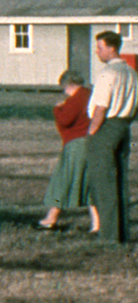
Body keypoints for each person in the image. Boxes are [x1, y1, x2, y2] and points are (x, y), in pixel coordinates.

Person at [86, 31, 137, 243]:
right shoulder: (131, 73)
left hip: (106, 127)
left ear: (111, 48)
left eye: (100, 47)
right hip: (123, 127)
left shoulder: (108, 74)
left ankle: (108, 235)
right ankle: (121, 233)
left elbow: (101, 106)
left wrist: (92, 130)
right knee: (119, 182)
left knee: (103, 182)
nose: (97, 52)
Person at [38, 71, 95, 231]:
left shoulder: (75, 99)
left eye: (65, 88)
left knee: (62, 181)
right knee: (90, 183)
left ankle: (51, 219)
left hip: (76, 144)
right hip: (91, 142)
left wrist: (57, 109)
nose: (65, 92)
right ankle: (97, 224)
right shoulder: (90, 94)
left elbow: (65, 120)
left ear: (68, 85)